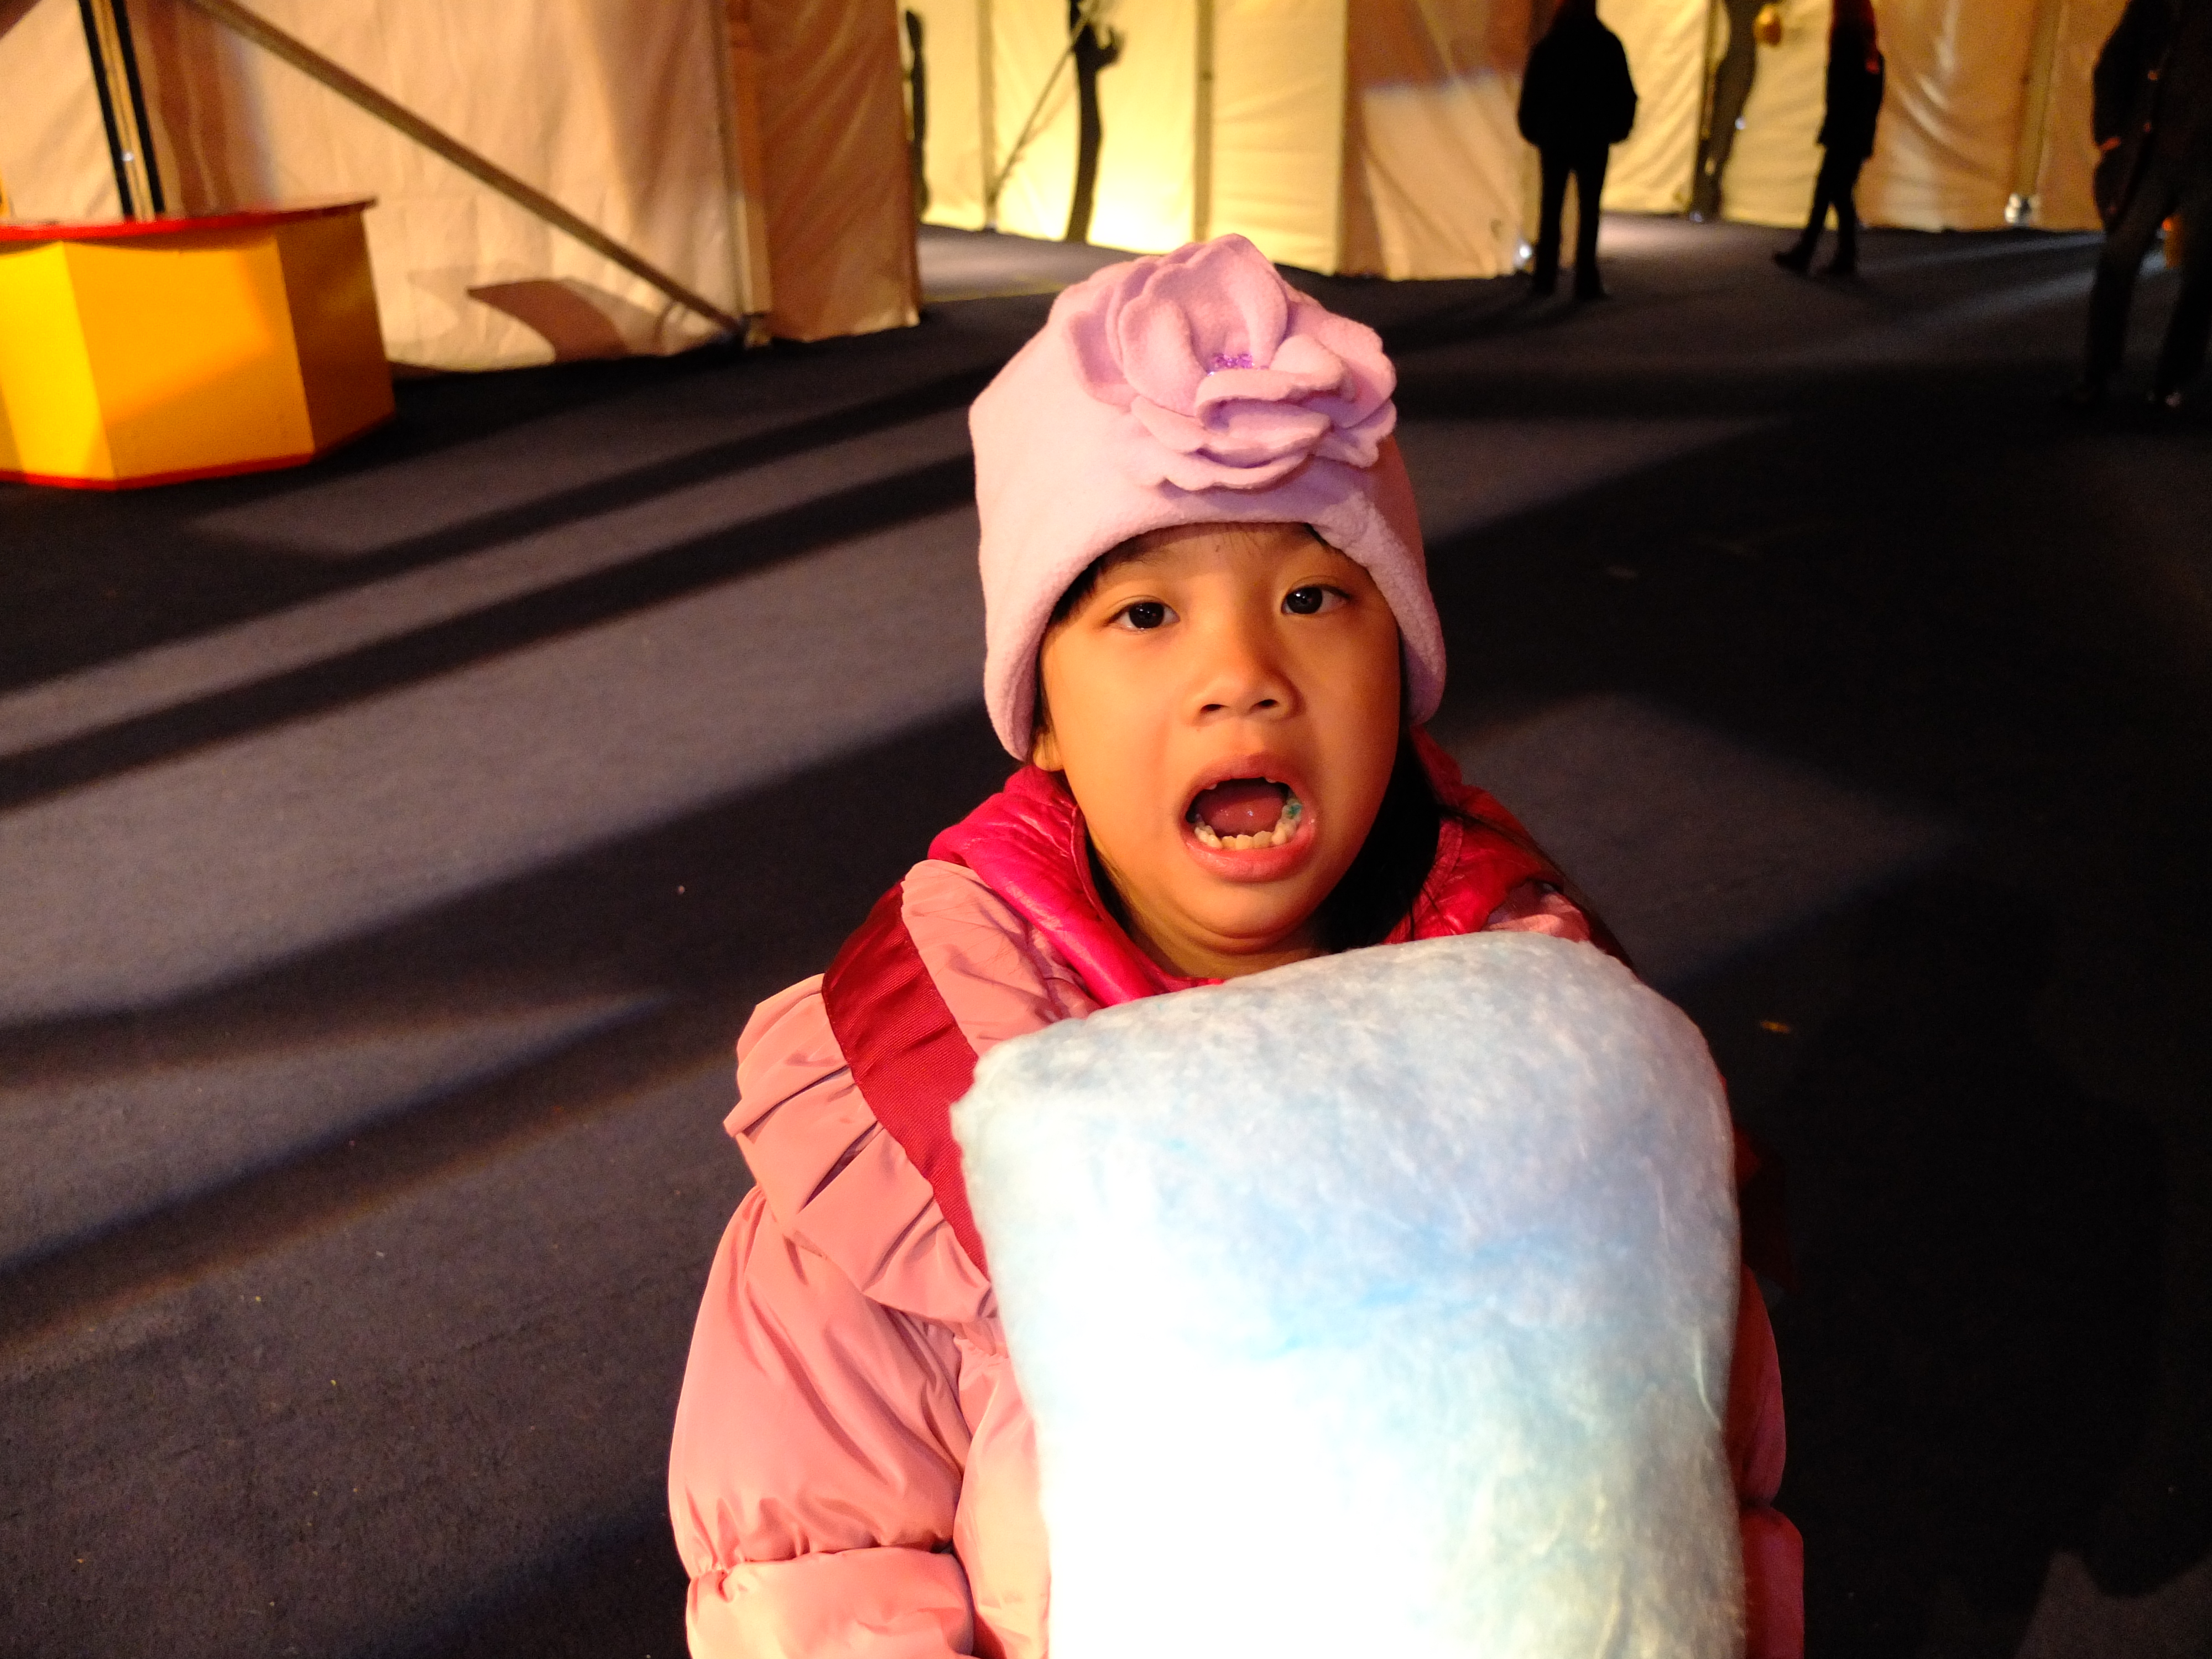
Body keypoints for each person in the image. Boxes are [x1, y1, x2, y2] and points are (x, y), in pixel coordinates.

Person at [665, 234, 1804, 1659]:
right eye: (1144, 613)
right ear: (1046, 721)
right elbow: (814, 1575)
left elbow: (1692, 1495)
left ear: (1401, 671)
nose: (1242, 676)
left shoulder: (1557, 1063)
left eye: (1314, 598)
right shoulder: (908, 1138)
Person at [2069, 0, 2212, 410]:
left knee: (2203, 274)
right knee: (2119, 258)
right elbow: (2115, 61)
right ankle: (2097, 374)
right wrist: (2112, 136)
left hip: (2206, 165)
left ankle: (2172, 381)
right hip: (2151, 155)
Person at [1517, 0, 1639, 299]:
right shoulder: (1607, 44)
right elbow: (1623, 92)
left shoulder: (1550, 45)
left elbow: (1532, 90)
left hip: (1555, 136)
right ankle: (1586, 279)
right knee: (1589, 210)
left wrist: (1533, 129)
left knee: (1551, 207)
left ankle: (1545, 277)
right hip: (1593, 137)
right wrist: (1617, 129)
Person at [1775, 0, 1885, 278]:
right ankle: (1827, 253)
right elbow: (1872, 98)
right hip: (1856, 133)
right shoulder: (1871, 51)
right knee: (1835, 191)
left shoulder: (1846, 42)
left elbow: (1840, 94)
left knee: (1831, 191)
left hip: (1843, 132)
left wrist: (1834, 130)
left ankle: (1819, 253)